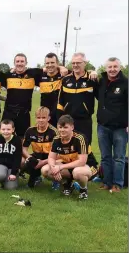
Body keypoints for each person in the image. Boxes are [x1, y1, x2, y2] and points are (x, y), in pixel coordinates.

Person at [42, 115, 99, 200]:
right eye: (60, 127)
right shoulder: (57, 139)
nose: (62, 130)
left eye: (65, 127)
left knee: (77, 172)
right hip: (69, 166)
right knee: (45, 170)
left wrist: (60, 167)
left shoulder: (80, 138)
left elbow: (82, 162)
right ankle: (67, 185)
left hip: (88, 167)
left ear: (72, 127)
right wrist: (54, 168)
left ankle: (83, 189)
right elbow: (51, 158)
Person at [96, 57, 128, 193]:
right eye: (110, 67)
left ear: (119, 67)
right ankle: (106, 182)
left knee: (119, 158)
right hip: (103, 126)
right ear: (106, 68)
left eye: (115, 66)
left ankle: (117, 184)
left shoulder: (126, 83)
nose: (112, 69)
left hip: (120, 128)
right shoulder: (101, 81)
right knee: (105, 156)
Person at [57, 52, 98, 144]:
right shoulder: (65, 79)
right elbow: (60, 102)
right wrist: (59, 120)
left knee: (85, 147)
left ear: (85, 63)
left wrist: (94, 71)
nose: (75, 65)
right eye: (73, 63)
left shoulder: (92, 80)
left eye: (78, 63)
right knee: (67, 147)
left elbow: (102, 98)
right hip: (67, 121)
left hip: (84, 121)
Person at [22, 106, 58, 188]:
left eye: (43, 117)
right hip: (36, 156)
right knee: (22, 161)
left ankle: (57, 181)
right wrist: (30, 158)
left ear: (48, 118)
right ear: (36, 118)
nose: (41, 120)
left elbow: (58, 154)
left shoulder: (54, 132)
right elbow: (23, 149)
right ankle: (35, 178)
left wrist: (42, 162)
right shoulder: (30, 130)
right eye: (38, 117)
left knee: (46, 170)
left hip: (50, 158)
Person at [0, 119, 23, 190]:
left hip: (11, 167)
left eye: (8, 129)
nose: (6, 131)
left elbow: (17, 158)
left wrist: (13, 173)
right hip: (0, 164)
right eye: (3, 129)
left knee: (11, 187)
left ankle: (8, 178)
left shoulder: (17, 140)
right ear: (0, 129)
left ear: (13, 129)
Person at [38, 53, 65, 127]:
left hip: (60, 115)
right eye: (47, 63)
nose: (50, 65)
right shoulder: (40, 75)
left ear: (57, 63)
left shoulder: (64, 74)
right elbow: (25, 72)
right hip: (45, 116)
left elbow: (80, 72)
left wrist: (93, 72)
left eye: (52, 62)